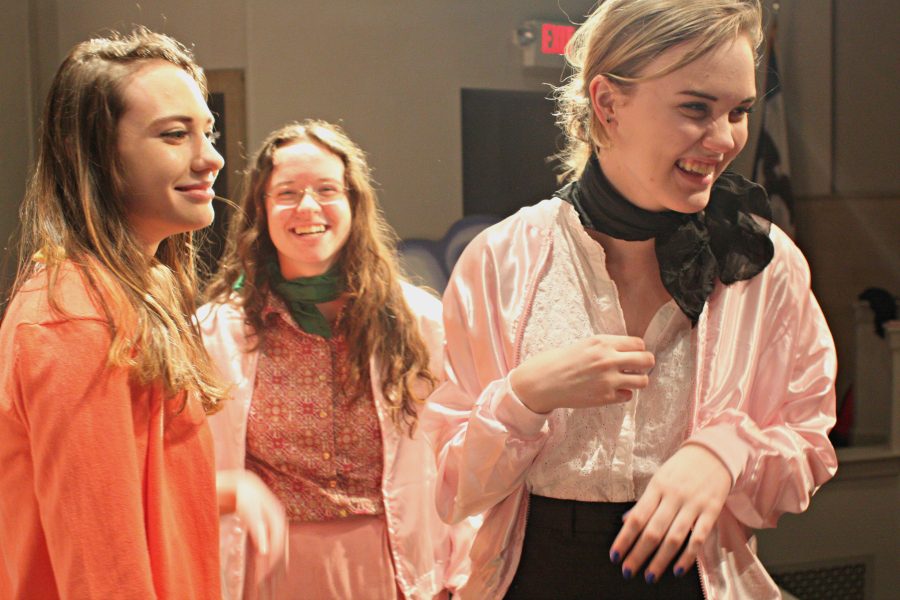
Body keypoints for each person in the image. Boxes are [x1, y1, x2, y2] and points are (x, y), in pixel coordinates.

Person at [420, 1, 838, 598]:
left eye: (740, 111)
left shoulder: (762, 262)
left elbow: (809, 445)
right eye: (696, 108)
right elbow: (451, 487)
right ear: (608, 104)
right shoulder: (502, 260)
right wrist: (523, 397)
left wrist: (726, 451)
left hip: (695, 580)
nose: (724, 140)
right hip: (534, 578)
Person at [0, 29, 284, 599]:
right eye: (175, 135)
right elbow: (103, 571)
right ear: (97, 156)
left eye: (208, 131)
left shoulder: (129, 288)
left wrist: (223, 489)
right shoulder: (76, 318)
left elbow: (122, 485)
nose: (211, 158)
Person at [199, 120, 475, 599]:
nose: (308, 207)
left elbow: (460, 460)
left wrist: (462, 573)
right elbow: (185, 465)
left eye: (326, 189)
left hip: (393, 571)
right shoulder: (215, 333)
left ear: (354, 204)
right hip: (267, 572)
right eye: (286, 193)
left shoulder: (421, 324)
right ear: (261, 212)